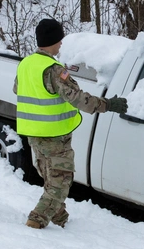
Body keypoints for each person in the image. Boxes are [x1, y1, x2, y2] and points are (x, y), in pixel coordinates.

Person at [16, 18, 128, 229]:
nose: (61, 44)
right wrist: (109, 105)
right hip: (54, 135)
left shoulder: (26, 64)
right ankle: (36, 221)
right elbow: (78, 99)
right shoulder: (54, 70)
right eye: (59, 40)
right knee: (60, 181)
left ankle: (60, 218)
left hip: (34, 132)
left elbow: (18, 89)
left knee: (51, 176)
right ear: (52, 41)